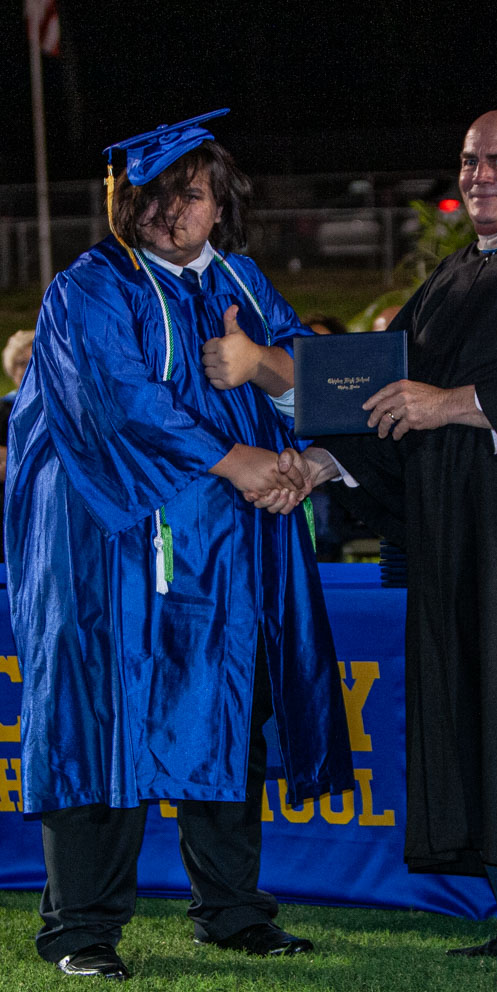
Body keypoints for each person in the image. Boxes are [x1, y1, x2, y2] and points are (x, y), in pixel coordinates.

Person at [258, 110, 497, 986]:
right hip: (464, 547)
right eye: (470, 160)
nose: (480, 175)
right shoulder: (458, 275)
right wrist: (318, 465)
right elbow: (388, 399)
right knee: (482, 729)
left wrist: (453, 403)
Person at [5, 110, 352, 982]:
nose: (172, 212)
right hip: (115, 551)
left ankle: (233, 913)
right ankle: (81, 930)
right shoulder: (90, 287)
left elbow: (304, 367)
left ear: (219, 204)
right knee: (102, 719)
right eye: (155, 195)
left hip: (227, 548)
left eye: (191, 195)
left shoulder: (240, 278)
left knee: (227, 709)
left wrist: (295, 458)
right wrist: (241, 462)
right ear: (126, 202)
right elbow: (120, 403)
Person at [0, 329, 34, 561]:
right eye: (21, 362)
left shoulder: (61, 409)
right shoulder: (4, 410)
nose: (28, 368)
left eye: (34, 361)